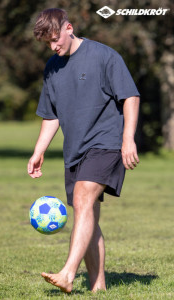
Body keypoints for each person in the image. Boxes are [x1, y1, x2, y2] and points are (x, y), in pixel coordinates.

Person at [28, 8, 140, 293]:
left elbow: (130, 97)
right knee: (86, 213)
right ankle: (98, 287)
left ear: (69, 27)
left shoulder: (104, 56)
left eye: (56, 39)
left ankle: (67, 273)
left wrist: (128, 139)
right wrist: (38, 150)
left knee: (82, 200)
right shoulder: (52, 67)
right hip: (75, 149)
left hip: (106, 142)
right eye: (48, 43)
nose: (54, 47)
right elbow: (51, 115)